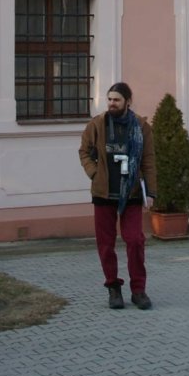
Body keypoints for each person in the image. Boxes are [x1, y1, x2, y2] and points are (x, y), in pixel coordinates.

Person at [79, 82, 158, 310]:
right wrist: (94, 173)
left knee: (135, 240)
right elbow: (84, 152)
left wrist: (151, 192)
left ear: (128, 102)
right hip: (104, 193)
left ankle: (138, 290)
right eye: (110, 99)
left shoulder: (141, 126)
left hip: (131, 193)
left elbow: (148, 161)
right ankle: (113, 287)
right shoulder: (97, 124)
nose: (112, 103)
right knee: (106, 244)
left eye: (117, 100)